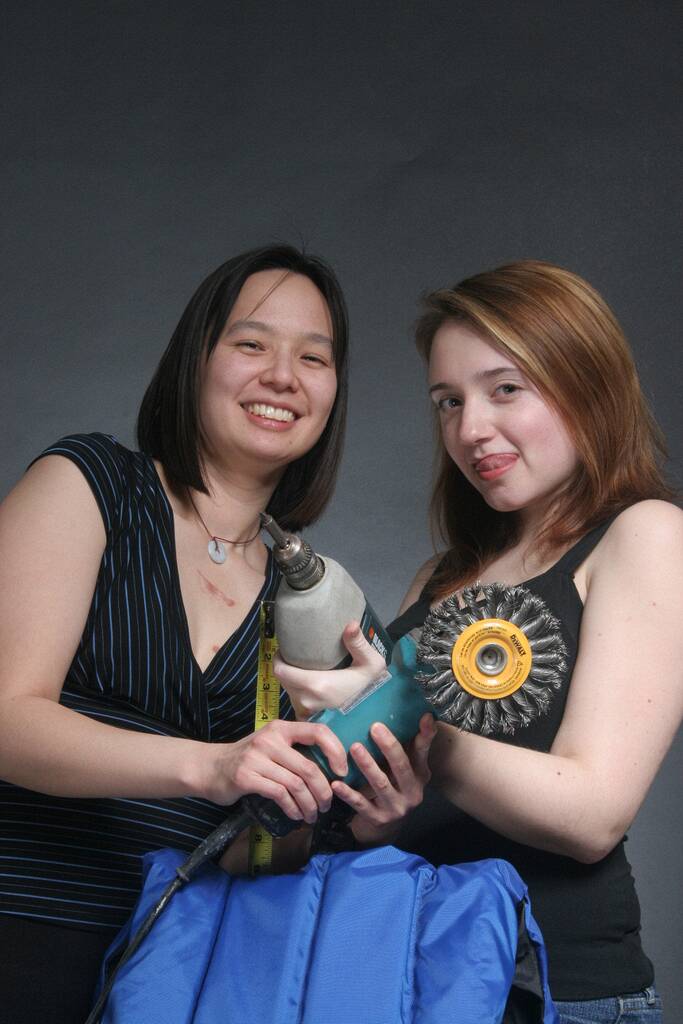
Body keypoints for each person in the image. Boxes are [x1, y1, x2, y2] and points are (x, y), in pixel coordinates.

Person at [0, 244, 433, 1023]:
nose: (283, 376)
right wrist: (210, 766)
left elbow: (254, 860)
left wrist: (350, 812)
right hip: (20, 927)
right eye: (251, 343)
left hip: (170, 977)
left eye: (313, 358)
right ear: (195, 359)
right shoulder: (90, 486)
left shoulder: (323, 609)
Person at [276, 260, 683, 1023]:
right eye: (448, 401)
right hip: (417, 981)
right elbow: (405, 819)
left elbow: (592, 814)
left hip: (558, 994)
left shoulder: (645, 535)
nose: (469, 430)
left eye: (504, 389)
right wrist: (374, 809)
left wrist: (405, 720)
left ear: (586, 382)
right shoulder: (439, 577)